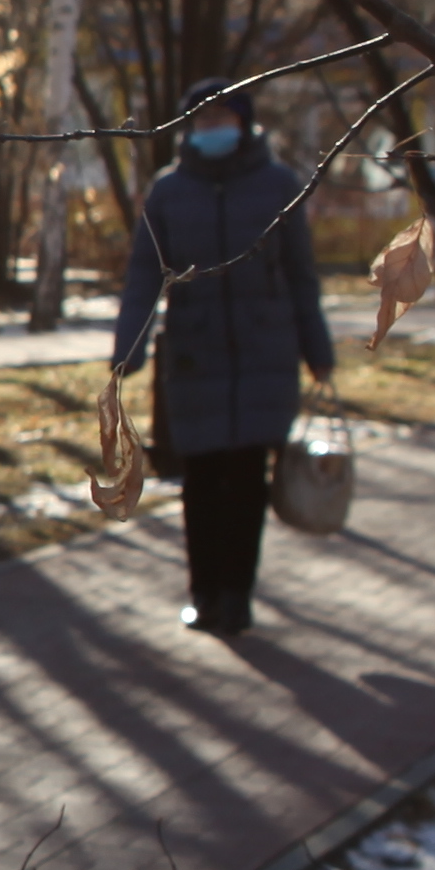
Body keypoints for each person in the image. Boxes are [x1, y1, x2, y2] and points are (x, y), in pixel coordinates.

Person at [107, 84, 337, 638]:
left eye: (221, 114)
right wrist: (128, 350)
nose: (211, 125)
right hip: (194, 357)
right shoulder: (168, 192)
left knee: (248, 483)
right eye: (200, 116)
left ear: (242, 120)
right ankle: (205, 594)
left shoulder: (278, 185)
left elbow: (302, 276)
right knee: (203, 482)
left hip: (266, 354)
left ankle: (237, 597)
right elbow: (144, 276)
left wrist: (318, 350)